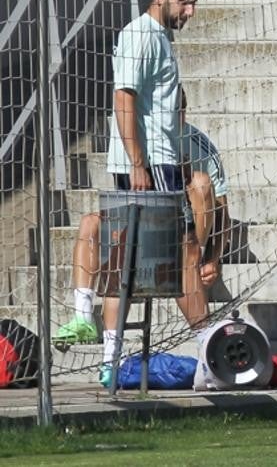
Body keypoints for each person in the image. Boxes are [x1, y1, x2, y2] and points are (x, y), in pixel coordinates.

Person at [57, 121, 231, 387]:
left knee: (200, 182)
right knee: (91, 224)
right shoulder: (132, 138)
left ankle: (207, 345)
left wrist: (213, 258)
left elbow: (223, 211)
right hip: (142, 229)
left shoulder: (197, 143)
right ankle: (90, 330)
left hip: (183, 236)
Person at [95, 0, 198, 382]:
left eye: (193, 3)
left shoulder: (160, 37)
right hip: (149, 167)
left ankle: (109, 360)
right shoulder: (140, 35)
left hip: (159, 161)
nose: (189, 11)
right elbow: (124, 98)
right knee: (181, 253)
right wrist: (139, 165)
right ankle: (209, 342)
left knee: (130, 263)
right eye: (183, 1)